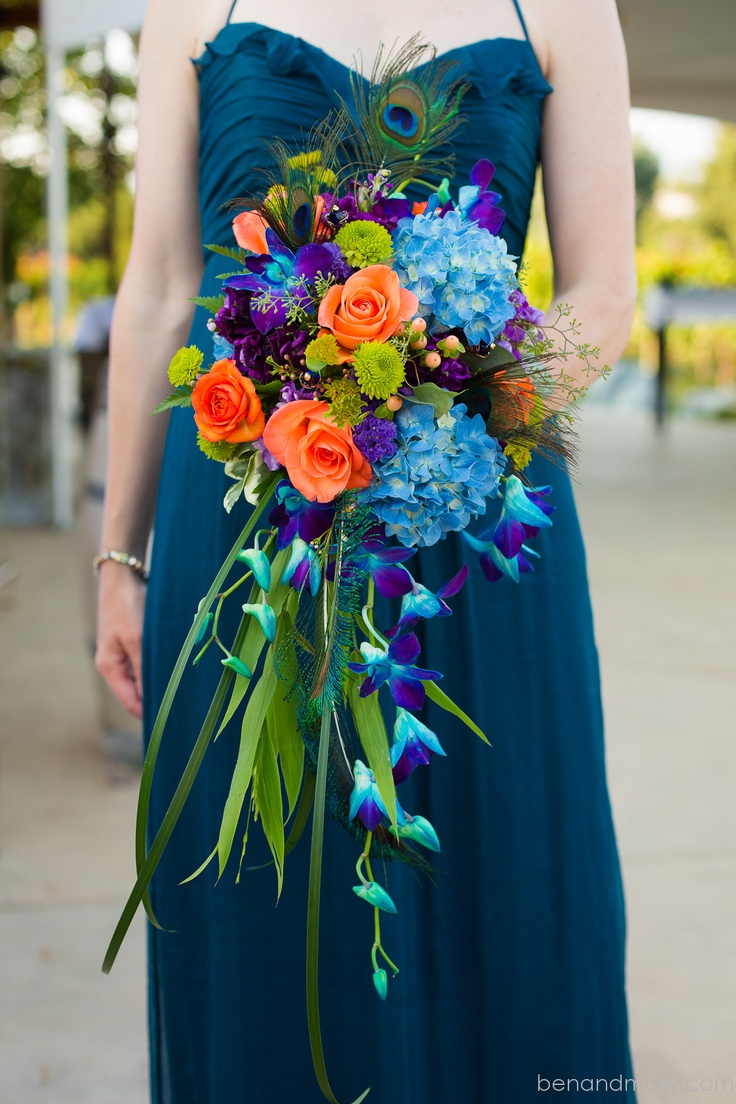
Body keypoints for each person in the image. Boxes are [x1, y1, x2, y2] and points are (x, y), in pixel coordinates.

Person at [95, 0, 638, 1101]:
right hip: (245, 527)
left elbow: (603, 292)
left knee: (506, 886)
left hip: (479, 528)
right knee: (259, 902)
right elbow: (160, 286)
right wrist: (120, 556)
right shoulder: (191, 7)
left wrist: (449, 405)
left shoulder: (569, 6)